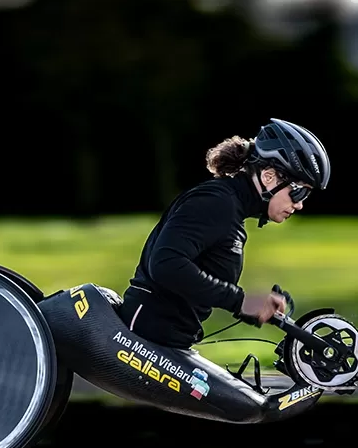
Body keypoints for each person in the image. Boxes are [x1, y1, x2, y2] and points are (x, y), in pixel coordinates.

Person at [117, 118, 331, 349]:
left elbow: (196, 282)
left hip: (168, 336)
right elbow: (166, 264)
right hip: (146, 333)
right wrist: (240, 301)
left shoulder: (230, 208)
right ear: (269, 176)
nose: (299, 205)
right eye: (299, 193)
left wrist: (253, 307)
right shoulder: (216, 202)